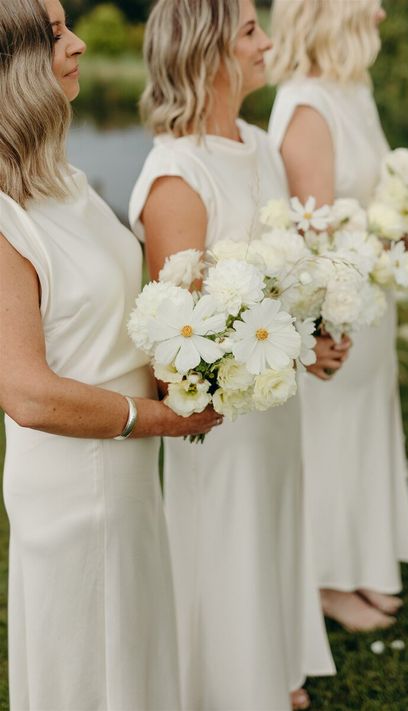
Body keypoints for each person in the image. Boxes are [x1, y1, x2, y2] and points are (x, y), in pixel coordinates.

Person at [0, 1, 223, 709]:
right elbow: (26, 392)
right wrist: (161, 419)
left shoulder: (62, 180)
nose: (80, 42)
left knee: (133, 661)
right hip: (76, 497)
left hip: (127, 482)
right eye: (55, 32)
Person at [130, 1, 335, 709]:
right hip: (218, 424)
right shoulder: (177, 176)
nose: (268, 41)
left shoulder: (258, 142)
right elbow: (173, 353)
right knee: (228, 542)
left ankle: (270, 662)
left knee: (273, 523)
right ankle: (226, 685)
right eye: (250, 30)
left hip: (274, 407)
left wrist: (309, 341)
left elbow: (279, 285)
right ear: (209, 50)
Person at [268, 0, 408, 633]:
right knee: (330, 442)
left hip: (372, 303)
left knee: (364, 433)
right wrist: (403, 257)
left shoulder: (352, 91)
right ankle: (324, 582)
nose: (379, 14)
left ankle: (357, 562)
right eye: (368, 2)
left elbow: (373, 204)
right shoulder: (307, 108)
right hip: (336, 313)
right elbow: (318, 239)